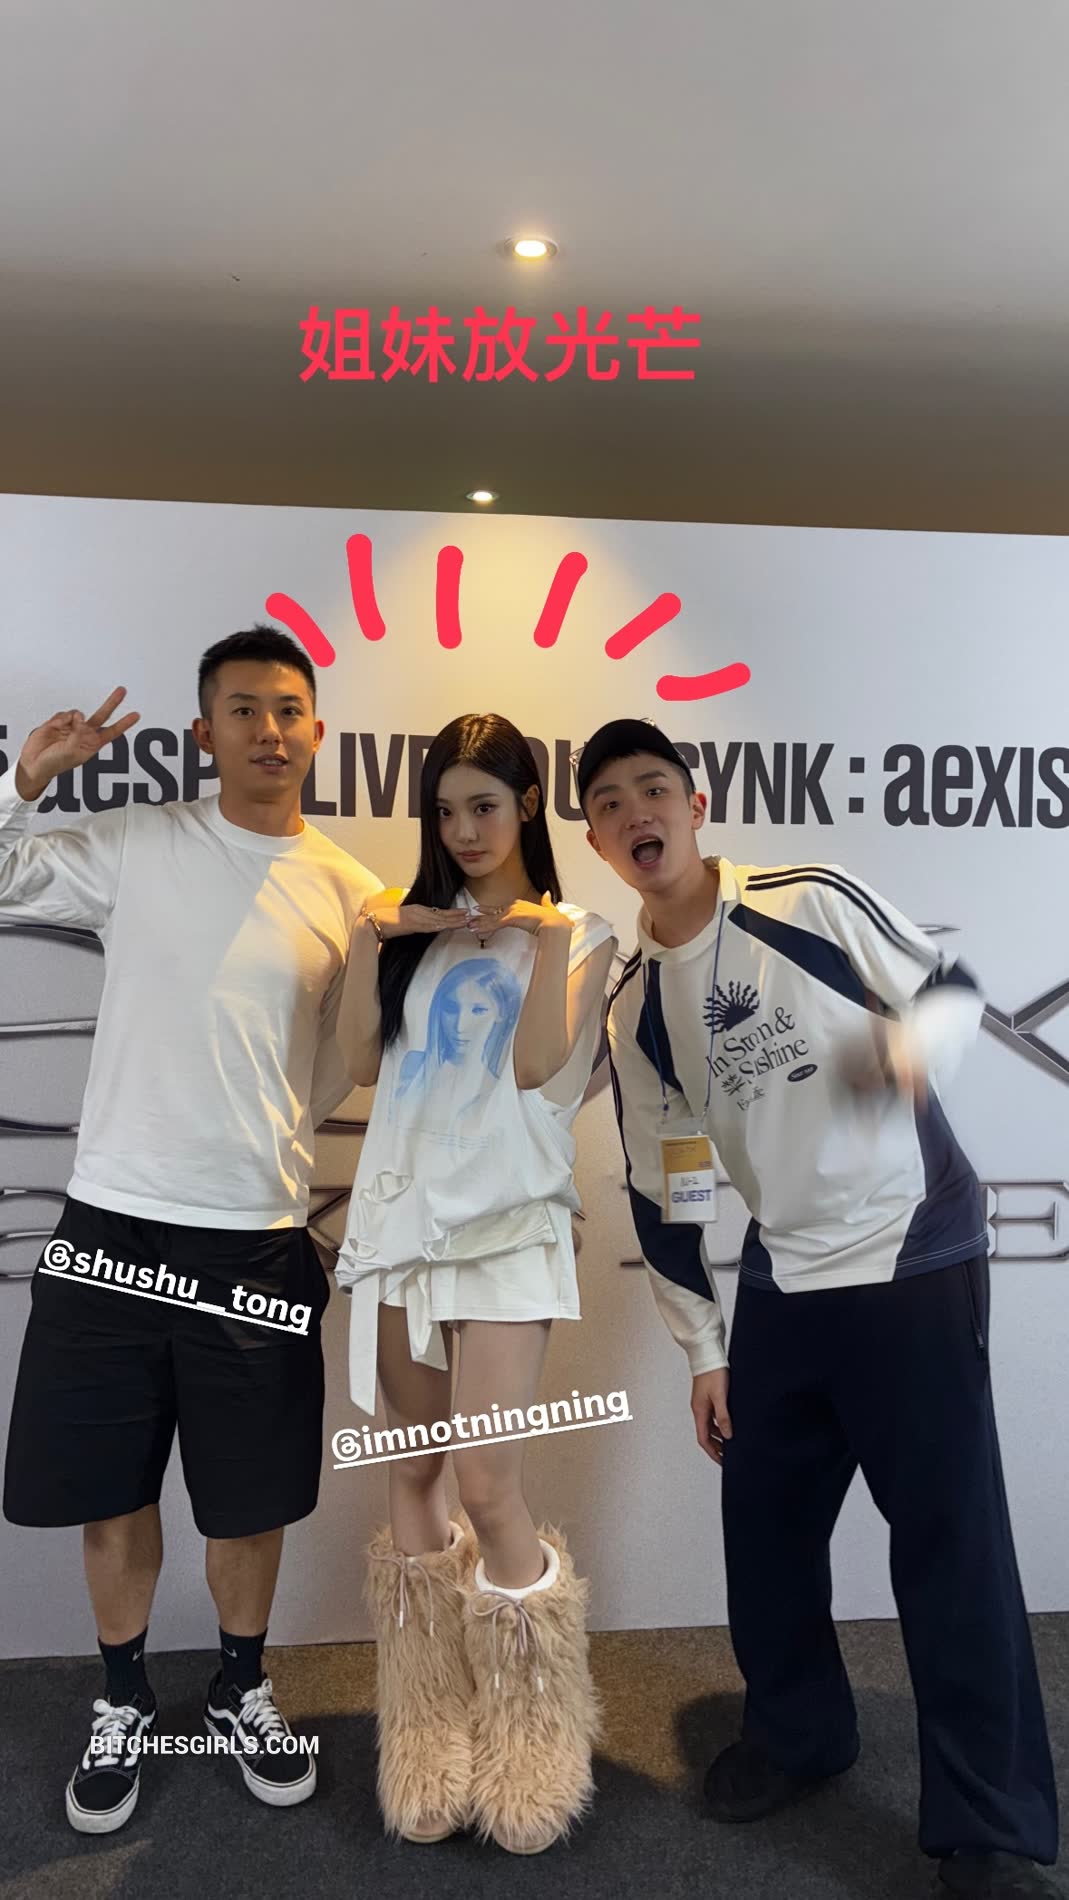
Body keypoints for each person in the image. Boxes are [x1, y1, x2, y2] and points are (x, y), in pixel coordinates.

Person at [579, 716, 1059, 1900]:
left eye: (653, 788)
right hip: (785, 1274)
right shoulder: (637, 1004)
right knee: (766, 1523)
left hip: (909, 1254)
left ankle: (987, 1825)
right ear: (595, 839)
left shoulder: (803, 900)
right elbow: (664, 1188)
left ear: (695, 804)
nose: (637, 813)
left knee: (948, 1544)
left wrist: (908, 1056)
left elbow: (949, 991)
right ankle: (800, 1733)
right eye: (609, 803)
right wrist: (703, 1350)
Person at [1, 627, 381, 1833]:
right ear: (206, 729)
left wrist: (259, 1135)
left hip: (254, 1235)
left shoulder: (352, 890)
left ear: (317, 730)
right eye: (244, 709)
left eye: (289, 708)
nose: (270, 729)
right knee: (112, 1491)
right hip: (110, 1225)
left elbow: (347, 1061)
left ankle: (237, 1685)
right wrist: (24, 781)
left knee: (247, 1497)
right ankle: (122, 1697)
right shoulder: (141, 841)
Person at [334, 711, 616, 1856]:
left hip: (505, 1238)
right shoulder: (415, 935)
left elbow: (540, 1066)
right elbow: (357, 1061)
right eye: (445, 810)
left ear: (527, 806)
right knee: (411, 1475)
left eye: (484, 806)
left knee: (490, 1486)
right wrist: (374, 939)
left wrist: (538, 934)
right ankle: (426, 1736)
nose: (463, 830)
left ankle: (535, 1740)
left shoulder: (582, 932)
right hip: (401, 1234)